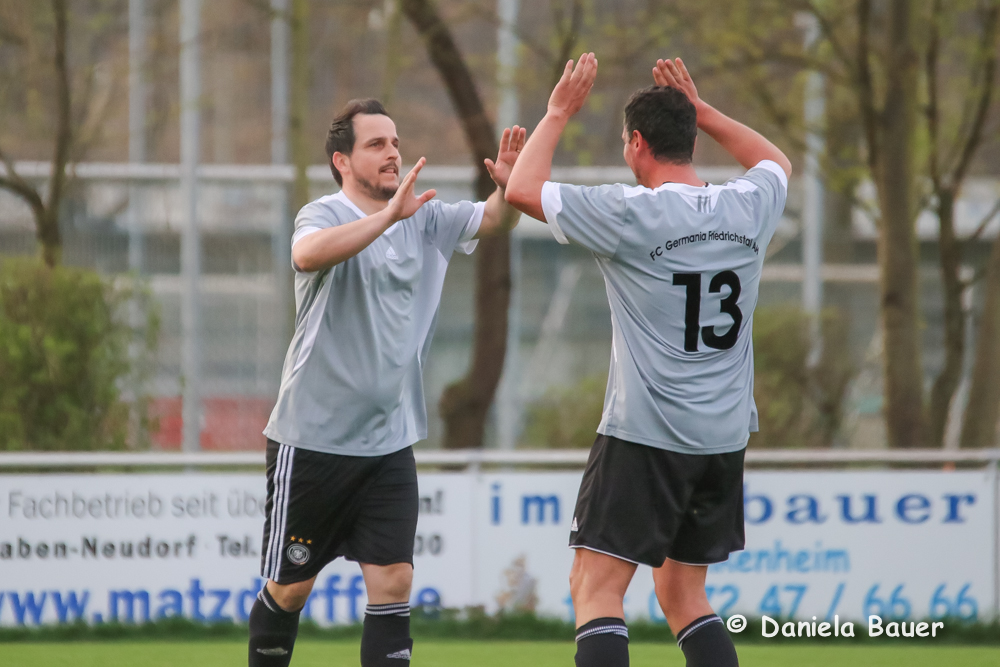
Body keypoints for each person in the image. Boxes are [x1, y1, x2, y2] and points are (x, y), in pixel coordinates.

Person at [505, 54, 791, 667]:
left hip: (647, 434)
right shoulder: (749, 205)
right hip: (722, 436)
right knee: (683, 592)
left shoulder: (632, 213)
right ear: (690, 138)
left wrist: (558, 112)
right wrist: (704, 110)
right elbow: (776, 162)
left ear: (637, 144)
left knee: (596, 587)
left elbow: (523, 189)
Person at [248, 98, 526, 667]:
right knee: (291, 589)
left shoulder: (424, 216)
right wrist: (385, 219)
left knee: (395, 581)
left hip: (389, 443)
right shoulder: (322, 214)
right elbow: (305, 257)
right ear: (341, 161)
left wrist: (509, 187)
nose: (392, 152)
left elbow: (497, 219)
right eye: (376, 144)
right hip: (313, 441)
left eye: (395, 142)